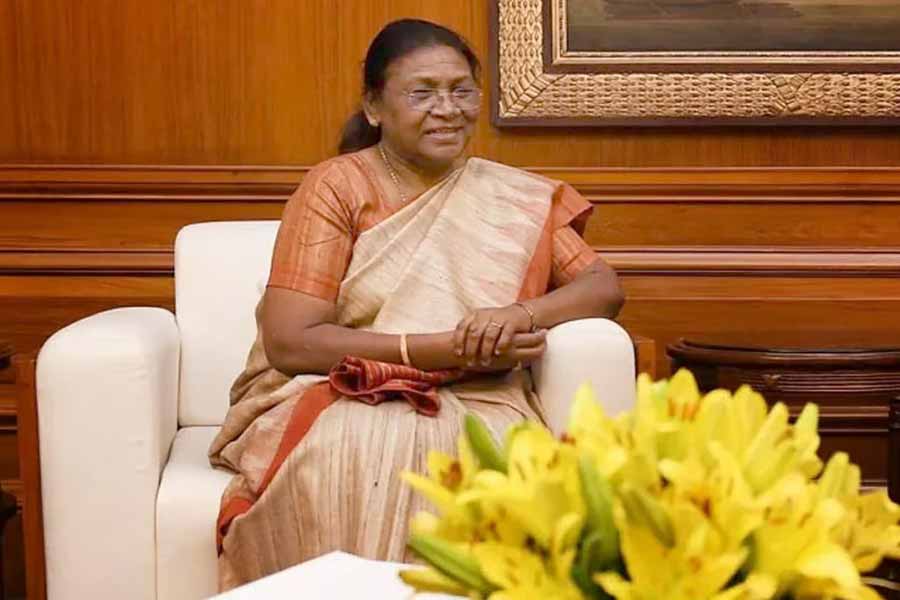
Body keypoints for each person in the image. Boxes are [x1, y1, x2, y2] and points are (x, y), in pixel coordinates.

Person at [208, 18, 625, 590]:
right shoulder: (338, 186)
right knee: (360, 449)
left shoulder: (512, 194)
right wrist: (447, 349)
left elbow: (602, 286)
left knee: (488, 456)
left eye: (461, 91)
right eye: (422, 93)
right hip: (341, 388)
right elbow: (291, 341)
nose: (447, 109)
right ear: (374, 107)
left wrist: (518, 316)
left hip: (475, 393)